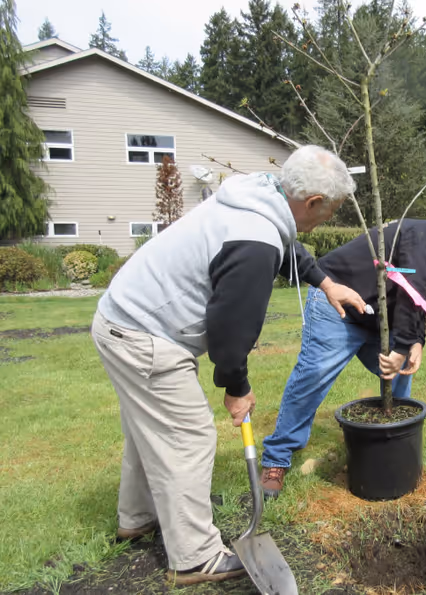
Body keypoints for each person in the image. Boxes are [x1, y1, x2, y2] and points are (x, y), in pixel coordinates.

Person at [90, 145, 366, 585]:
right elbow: (229, 331)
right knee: (188, 436)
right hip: (144, 334)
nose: (326, 220)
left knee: (152, 428)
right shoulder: (254, 241)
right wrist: (236, 386)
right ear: (312, 202)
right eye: (329, 212)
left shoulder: (260, 193)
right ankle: (195, 557)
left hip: (124, 316)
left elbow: (289, 244)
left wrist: (326, 283)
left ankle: (137, 518)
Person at [259, 219, 426, 498]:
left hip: (374, 316)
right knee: (313, 376)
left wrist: (416, 341)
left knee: (402, 372)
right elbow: (412, 287)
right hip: (337, 304)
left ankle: (392, 444)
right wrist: (403, 346)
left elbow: (418, 295)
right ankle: (277, 458)